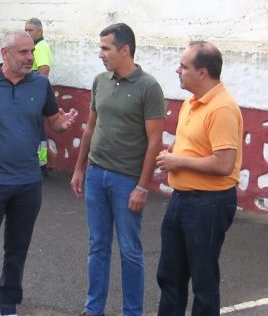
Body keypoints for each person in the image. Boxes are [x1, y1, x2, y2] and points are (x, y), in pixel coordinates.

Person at [0, 30, 79, 316]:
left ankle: (8, 306)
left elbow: (53, 123)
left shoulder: (40, 85)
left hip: (28, 183)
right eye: (23, 52)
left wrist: (63, 124)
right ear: (5, 54)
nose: (30, 58)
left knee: (17, 251)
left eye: (32, 52)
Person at [70, 23, 165, 316]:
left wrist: (142, 186)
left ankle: (132, 313)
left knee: (129, 251)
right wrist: (79, 169)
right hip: (97, 175)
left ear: (125, 50)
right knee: (97, 246)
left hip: (127, 181)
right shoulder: (101, 81)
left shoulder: (149, 88)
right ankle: (93, 309)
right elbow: (90, 128)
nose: (101, 54)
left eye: (106, 48)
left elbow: (155, 142)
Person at [154, 41, 243, 316]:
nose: (177, 70)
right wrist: (174, 154)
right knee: (169, 276)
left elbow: (224, 163)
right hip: (182, 199)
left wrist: (177, 161)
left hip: (209, 203)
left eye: (184, 66)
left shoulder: (222, 109)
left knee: (203, 282)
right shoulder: (191, 102)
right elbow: (194, 146)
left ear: (202, 73)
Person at [25, 17, 54, 173]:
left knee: (35, 127)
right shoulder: (38, 46)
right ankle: (41, 162)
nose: (27, 33)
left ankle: (39, 163)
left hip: (34, 93)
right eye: (26, 30)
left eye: (30, 30)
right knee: (38, 127)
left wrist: (34, 92)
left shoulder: (40, 47)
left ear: (40, 31)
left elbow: (44, 70)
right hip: (36, 92)